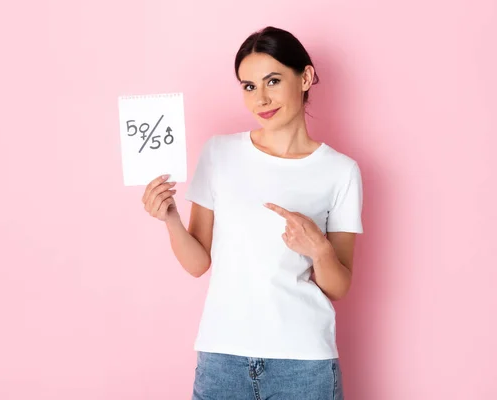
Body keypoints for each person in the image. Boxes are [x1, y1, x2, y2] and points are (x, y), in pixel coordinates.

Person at [141, 26, 363, 400]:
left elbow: (339, 286)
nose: (261, 98)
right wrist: (170, 218)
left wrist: (319, 249)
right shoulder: (219, 153)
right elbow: (198, 262)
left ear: (305, 77)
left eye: (273, 81)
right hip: (222, 358)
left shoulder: (341, 171)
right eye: (248, 86)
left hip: (303, 363)